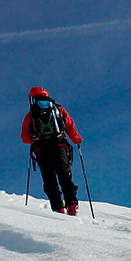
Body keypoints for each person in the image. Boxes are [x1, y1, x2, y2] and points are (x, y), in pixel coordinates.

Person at [21, 86, 83, 216]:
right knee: (65, 177)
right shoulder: (58, 109)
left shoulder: (31, 114)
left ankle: (58, 209)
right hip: (59, 145)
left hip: (41, 149)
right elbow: (70, 125)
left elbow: (25, 138)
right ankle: (71, 206)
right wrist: (77, 140)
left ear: (33, 98)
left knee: (50, 181)